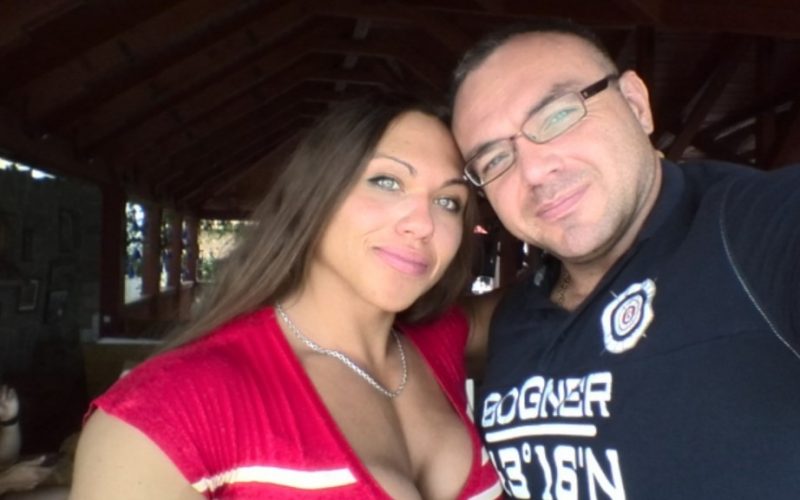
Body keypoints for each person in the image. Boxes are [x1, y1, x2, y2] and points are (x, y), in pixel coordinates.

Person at [70, 95, 503, 499]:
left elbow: (537, 296)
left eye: (449, 202)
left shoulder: (438, 342)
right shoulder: (165, 413)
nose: (423, 224)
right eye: (386, 181)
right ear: (314, 197)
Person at [450, 19, 800, 500]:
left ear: (636, 103)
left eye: (557, 116)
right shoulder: (515, 315)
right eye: (494, 160)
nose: (533, 171)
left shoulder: (753, 229)